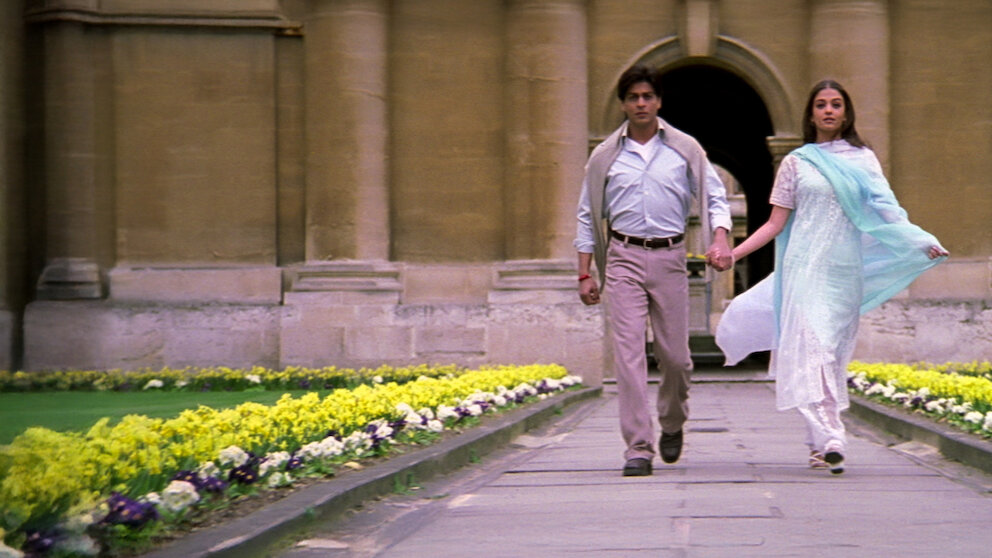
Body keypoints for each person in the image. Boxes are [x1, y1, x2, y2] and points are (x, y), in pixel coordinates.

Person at [716, 80, 948, 474]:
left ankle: (817, 445)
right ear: (810, 114)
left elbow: (888, 211)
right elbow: (774, 223)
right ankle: (833, 435)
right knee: (814, 348)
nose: (828, 110)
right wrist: (733, 253)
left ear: (846, 112)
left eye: (836, 104)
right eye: (821, 104)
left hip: (843, 273)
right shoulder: (797, 163)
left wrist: (921, 241)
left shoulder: (863, 160)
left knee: (832, 354)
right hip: (804, 270)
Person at [575, 64, 733, 477]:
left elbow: (715, 197)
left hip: (670, 257)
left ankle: (673, 421)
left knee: (676, 358)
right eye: (633, 97)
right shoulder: (605, 156)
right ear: (623, 104)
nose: (641, 104)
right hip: (623, 256)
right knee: (628, 357)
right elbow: (587, 215)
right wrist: (585, 273)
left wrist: (719, 238)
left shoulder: (685, 149)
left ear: (659, 101)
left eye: (647, 96)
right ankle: (638, 448)